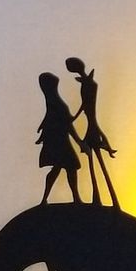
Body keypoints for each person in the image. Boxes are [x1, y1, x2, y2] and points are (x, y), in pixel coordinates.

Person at [65, 57, 119, 207]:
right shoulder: (87, 83)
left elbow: (87, 106)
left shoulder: (90, 84)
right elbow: (85, 106)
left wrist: (74, 118)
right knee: (93, 166)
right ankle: (98, 200)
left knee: (98, 166)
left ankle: (111, 201)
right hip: (91, 127)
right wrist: (74, 118)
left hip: (92, 128)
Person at [37, 73, 82, 204]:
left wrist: (42, 131)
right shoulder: (56, 103)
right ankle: (75, 197)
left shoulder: (53, 102)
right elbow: (68, 125)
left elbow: (50, 119)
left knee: (59, 169)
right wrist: (79, 142)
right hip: (60, 143)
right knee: (70, 167)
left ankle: (46, 198)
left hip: (58, 141)